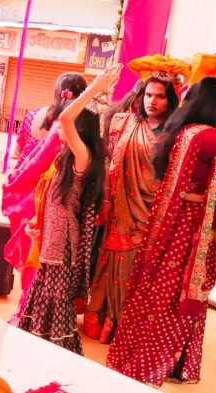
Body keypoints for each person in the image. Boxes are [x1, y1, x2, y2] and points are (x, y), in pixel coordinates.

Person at [107, 60, 216, 387]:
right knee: (174, 297)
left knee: (165, 292)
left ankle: (157, 361)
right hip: (187, 230)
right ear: (215, 103)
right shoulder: (203, 137)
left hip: (177, 226)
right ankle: (150, 364)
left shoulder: (187, 131)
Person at [17, 68, 111, 355]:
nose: (60, 127)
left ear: (79, 128)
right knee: (42, 294)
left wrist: (95, 87)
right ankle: (38, 347)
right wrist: (38, 225)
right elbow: (52, 197)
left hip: (62, 246)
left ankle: (56, 354)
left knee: (56, 300)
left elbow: (66, 117)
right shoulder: (68, 157)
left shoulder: (84, 156)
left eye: (68, 125)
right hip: (51, 240)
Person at [84, 72, 180, 343]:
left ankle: (129, 327)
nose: (152, 101)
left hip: (155, 211)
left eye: (160, 96)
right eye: (148, 95)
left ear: (171, 100)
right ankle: (105, 318)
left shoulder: (178, 133)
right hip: (121, 207)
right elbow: (108, 162)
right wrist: (105, 200)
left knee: (142, 270)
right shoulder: (123, 123)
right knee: (113, 263)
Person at [1, 74, 87, 324]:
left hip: (28, 195)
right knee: (45, 258)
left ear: (55, 92)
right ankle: (35, 313)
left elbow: (20, 154)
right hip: (55, 197)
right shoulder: (78, 122)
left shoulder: (34, 116)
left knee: (32, 255)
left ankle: (27, 310)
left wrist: (16, 183)